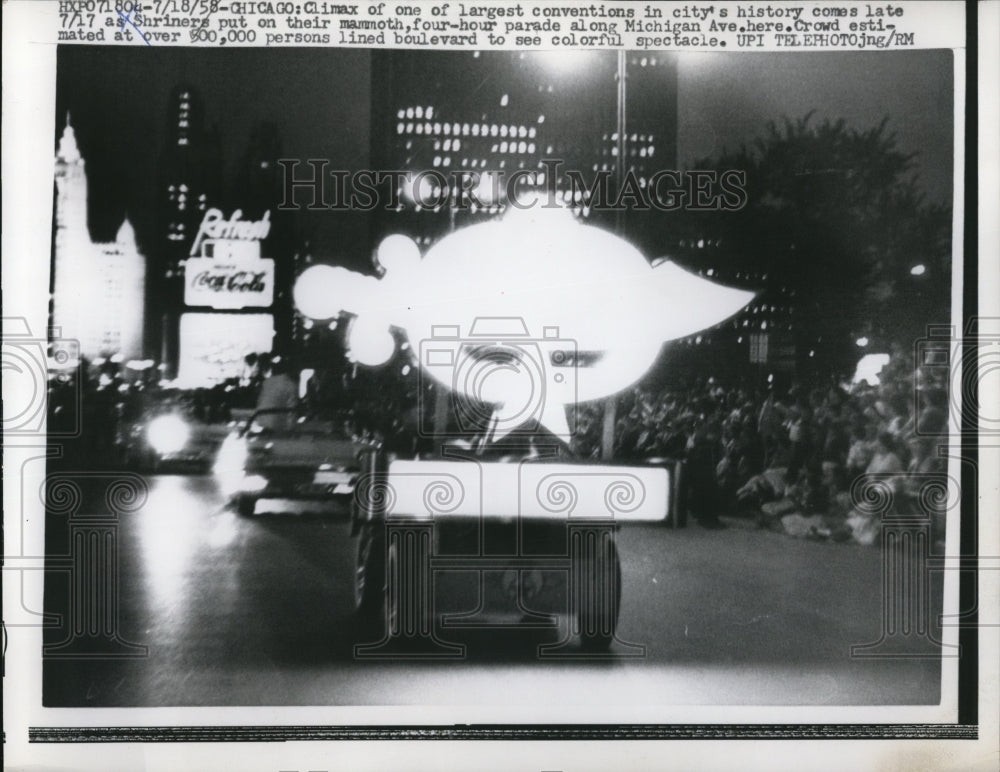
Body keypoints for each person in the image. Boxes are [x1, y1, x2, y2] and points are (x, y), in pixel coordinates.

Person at [255, 357, 298, 431]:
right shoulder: (291, 384)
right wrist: (291, 428)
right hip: (279, 424)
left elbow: (260, 402)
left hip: (261, 423)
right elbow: (292, 408)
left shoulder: (266, 382)